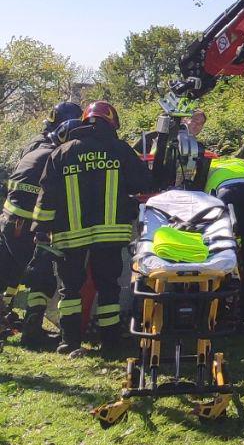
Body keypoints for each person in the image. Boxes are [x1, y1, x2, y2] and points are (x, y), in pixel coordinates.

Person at [37, 101, 149, 355]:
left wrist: (41, 228)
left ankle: (69, 341)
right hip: (110, 234)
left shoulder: (62, 152)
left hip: (68, 235)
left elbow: (47, 194)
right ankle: (110, 342)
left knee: (70, 289)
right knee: (108, 286)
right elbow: (142, 182)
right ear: (111, 122)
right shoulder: (119, 149)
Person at [0, 101, 80, 348]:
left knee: (9, 273)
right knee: (41, 276)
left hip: (10, 219)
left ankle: (7, 321)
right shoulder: (56, 154)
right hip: (24, 223)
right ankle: (32, 333)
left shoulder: (37, 145)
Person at [203, 154, 244, 326]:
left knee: (220, 250)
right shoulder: (240, 162)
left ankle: (220, 309)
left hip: (226, 193)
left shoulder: (210, 164)